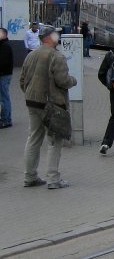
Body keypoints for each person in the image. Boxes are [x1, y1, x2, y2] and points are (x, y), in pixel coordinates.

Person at [20, 25, 76, 189]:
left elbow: (22, 80)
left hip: (32, 101)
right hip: (51, 104)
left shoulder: (31, 55)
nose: (57, 37)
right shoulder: (56, 56)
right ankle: (53, 178)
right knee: (55, 140)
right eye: (55, 35)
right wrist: (73, 80)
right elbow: (63, 81)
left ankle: (30, 176)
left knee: (34, 138)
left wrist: (30, 93)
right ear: (49, 38)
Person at [0, 28, 13, 129]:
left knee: (4, 98)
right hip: (4, 74)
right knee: (4, 97)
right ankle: (5, 118)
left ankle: (6, 120)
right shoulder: (3, 45)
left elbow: (3, 62)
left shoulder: (5, 46)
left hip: (4, 75)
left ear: (4, 35)